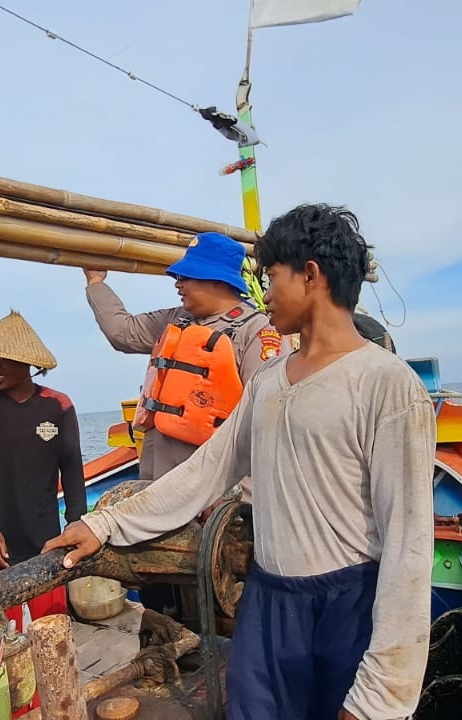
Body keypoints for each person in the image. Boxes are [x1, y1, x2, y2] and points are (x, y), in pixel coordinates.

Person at [45, 203, 437, 720]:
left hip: (347, 604)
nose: (263, 294)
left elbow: (409, 542)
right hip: (268, 598)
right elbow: (206, 470)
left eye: (271, 278)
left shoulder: (387, 384)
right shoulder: (269, 381)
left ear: (311, 275)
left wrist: (381, 694)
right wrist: (104, 523)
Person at [85, 231, 282, 481]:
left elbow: (267, 419)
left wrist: (243, 494)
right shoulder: (177, 319)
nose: (178, 284)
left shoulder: (257, 330)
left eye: (186, 277)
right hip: (158, 476)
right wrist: (96, 282)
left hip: (215, 484)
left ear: (218, 280)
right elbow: (123, 333)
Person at [0, 310, 87, 627]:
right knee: (0, 635)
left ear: (26, 362)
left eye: (3, 360)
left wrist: (76, 521)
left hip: (47, 542)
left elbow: (72, 468)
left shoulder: (58, 405)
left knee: (53, 630)